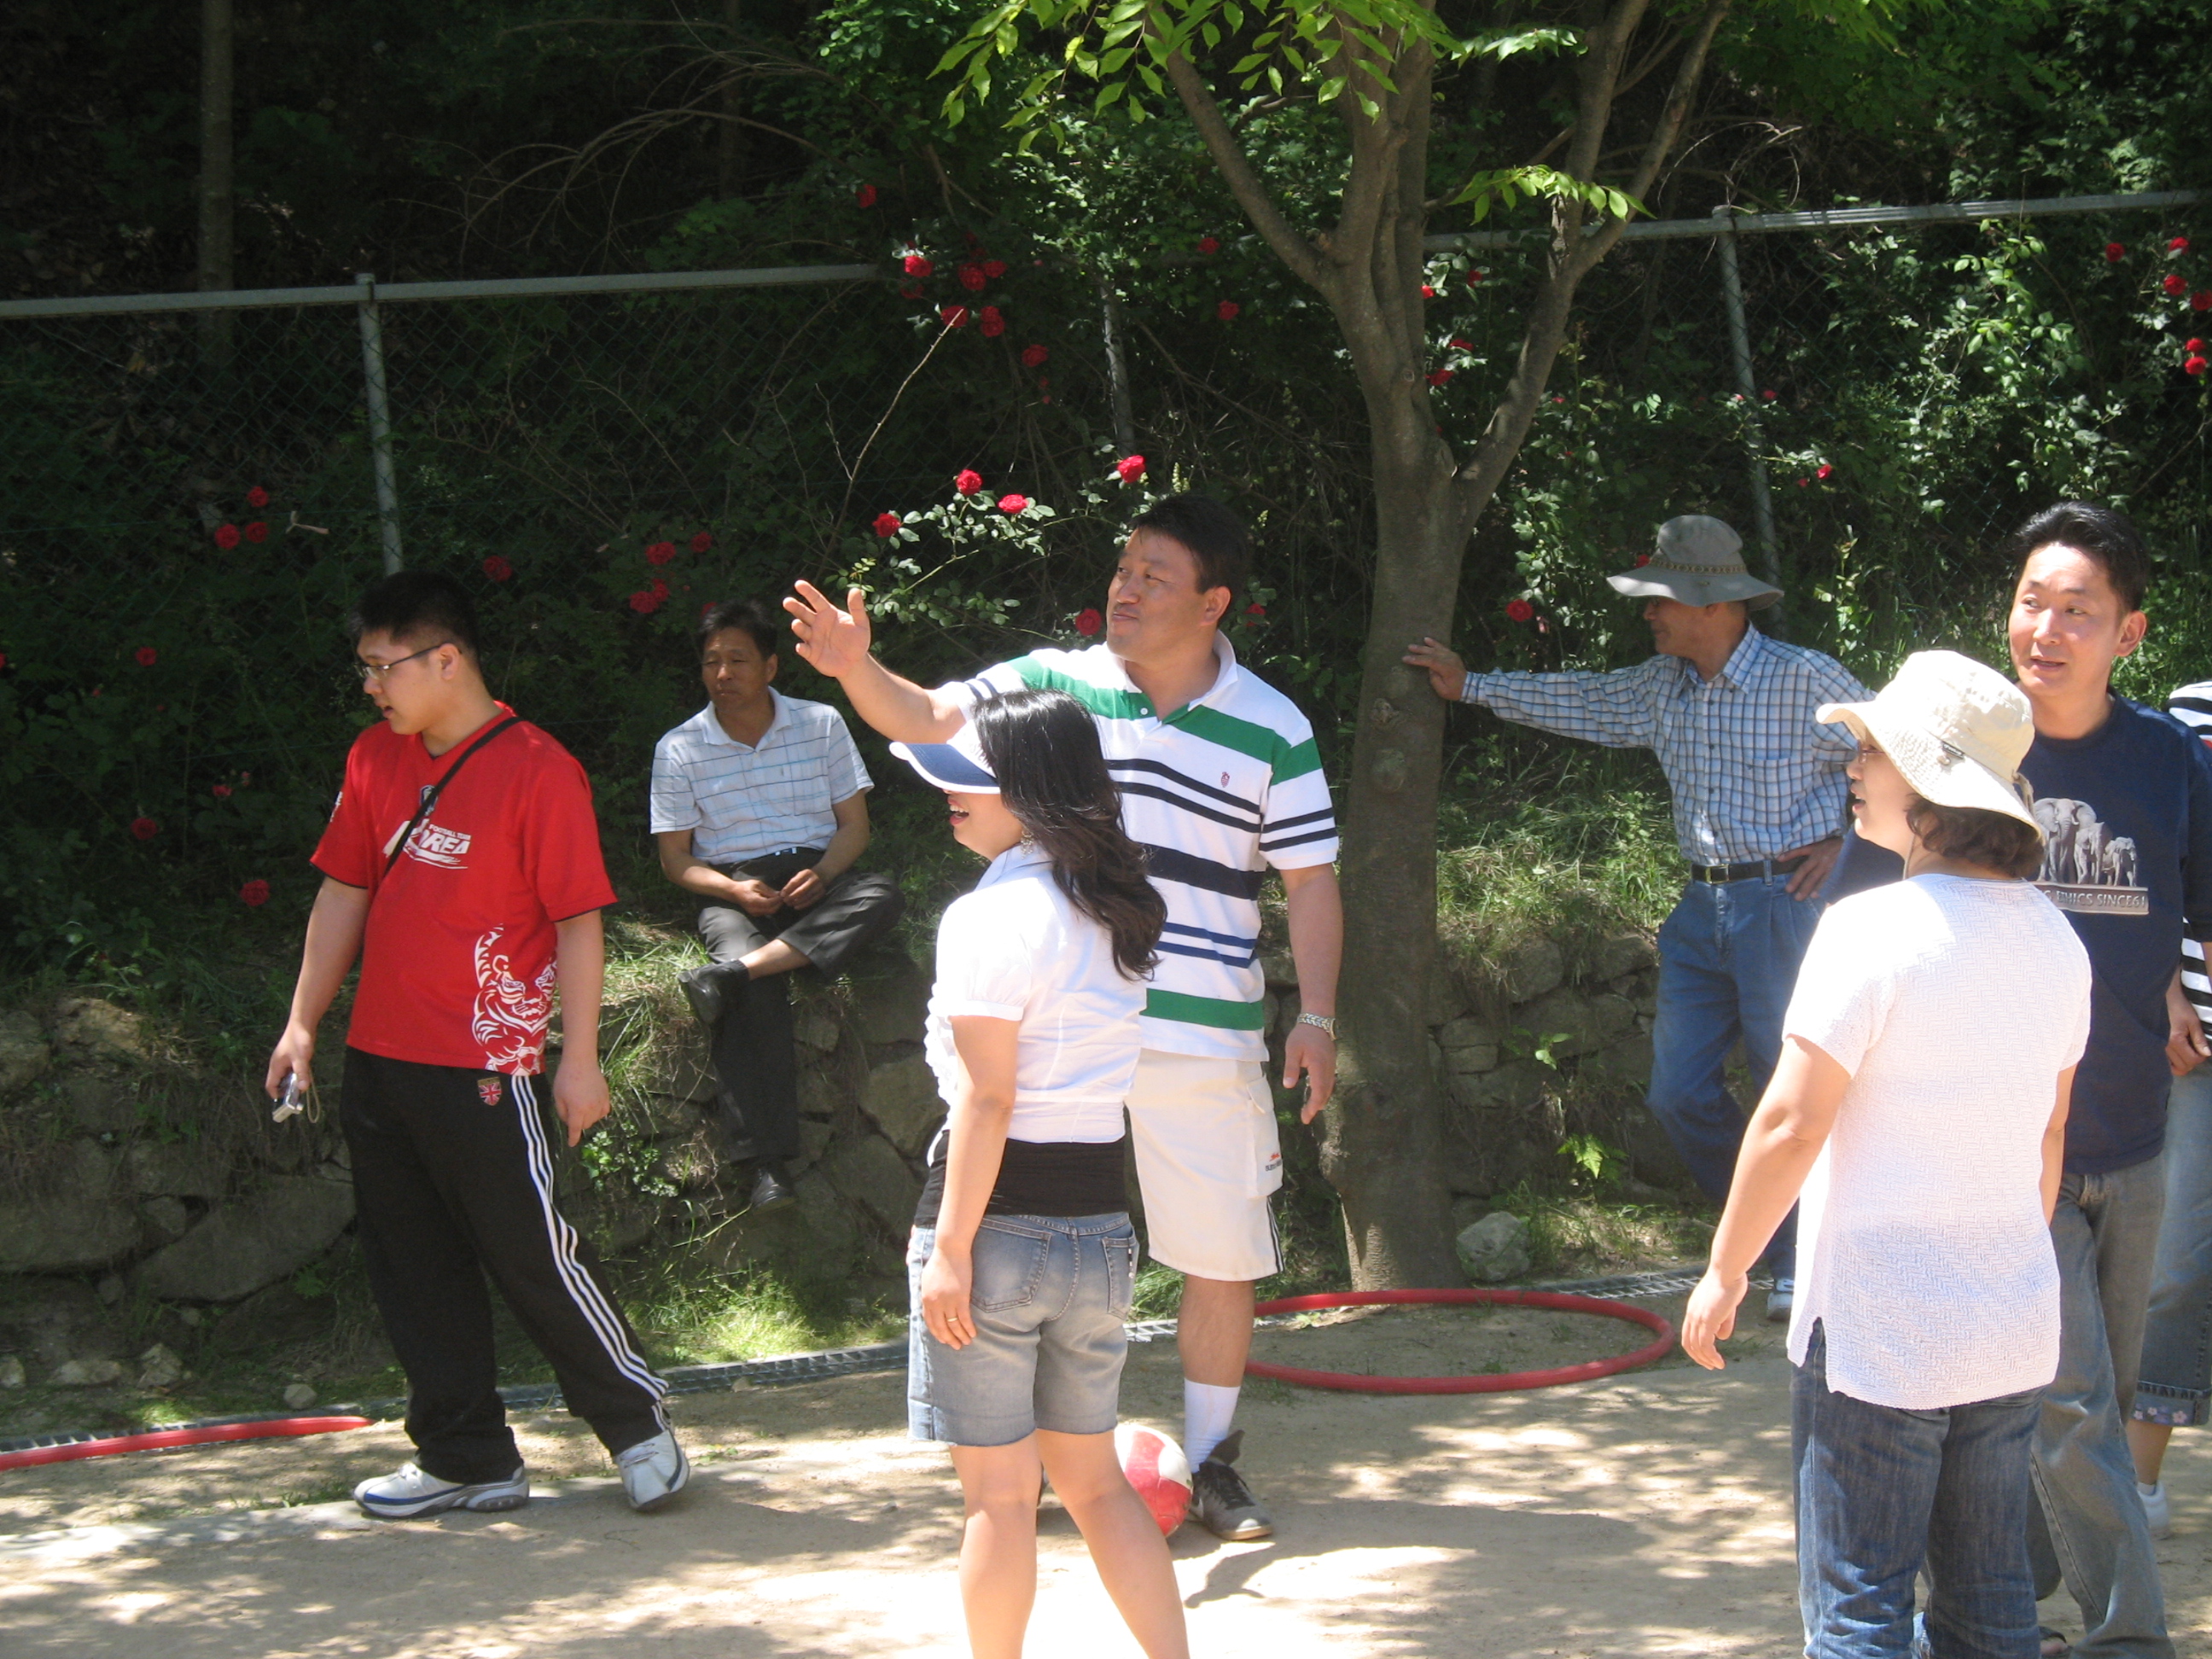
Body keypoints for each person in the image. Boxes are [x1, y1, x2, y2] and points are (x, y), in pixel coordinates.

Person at [788, 492, 1342, 1541]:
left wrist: (1316, 1014)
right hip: (1067, 1021)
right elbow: (929, 720)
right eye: (1123, 568)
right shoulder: (1053, 681)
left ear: (1214, 604)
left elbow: (1311, 880)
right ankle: (1029, 1463)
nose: (1125, 588)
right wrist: (855, 668)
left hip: (1205, 1028)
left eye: (1155, 577)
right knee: (1023, 1241)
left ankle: (1213, 1465)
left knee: (1221, 1252)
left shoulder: (1277, 726)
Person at [1682, 649, 2089, 1659]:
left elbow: (1791, 1123)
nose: (1853, 768)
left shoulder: (1869, 929)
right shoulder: (2057, 939)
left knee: (1859, 1605)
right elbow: (2048, 1135)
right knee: (1992, 1601)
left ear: (1928, 784)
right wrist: (1994, 1254)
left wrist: (1725, 1270)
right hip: (2009, 1314)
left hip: (1877, 1324)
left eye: (1870, 751)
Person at [264, 570, 688, 1520]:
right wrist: (302, 1022)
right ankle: (466, 1457)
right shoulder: (373, 757)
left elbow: (579, 921)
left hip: (489, 1064)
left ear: (446, 659)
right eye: (365, 667)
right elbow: (343, 890)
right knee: (411, 1267)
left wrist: (579, 1060)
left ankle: (637, 1426)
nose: (371, 686)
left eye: (385, 666)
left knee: (532, 1253)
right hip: (381, 1057)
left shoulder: (539, 768)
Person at [1406, 515, 1867, 1321]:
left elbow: (1906, 753)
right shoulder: (1661, 686)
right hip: (1699, 910)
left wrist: (1848, 845)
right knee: (1676, 1095)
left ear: (1714, 604)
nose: (1649, 613)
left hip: (1784, 907)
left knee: (1788, 1088)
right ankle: (1773, 1239)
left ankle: (1810, 1257)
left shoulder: (1806, 680)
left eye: (1662, 599)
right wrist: (1470, 685)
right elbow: (1581, 698)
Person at [896, 688, 1187, 1659]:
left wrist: (950, 1250)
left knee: (998, 1499)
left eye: (968, 780)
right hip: (1100, 1231)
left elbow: (987, 1100)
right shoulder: (1115, 908)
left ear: (1027, 792)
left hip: (994, 1229)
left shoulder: (989, 917)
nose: (949, 796)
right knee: (1096, 1485)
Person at [651, 597, 904, 1211]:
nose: (722, 674)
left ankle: (738, 972)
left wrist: (824, 872)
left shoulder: (820, 723)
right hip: (736, 886)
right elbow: (676, 860)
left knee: (880, 894)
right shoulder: (679, 748)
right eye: (711, 662)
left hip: (816, 873)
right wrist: (732, 890)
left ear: (770, 666)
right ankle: (766, 1164)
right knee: (750, 983)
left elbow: (854, 827)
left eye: (738, 660)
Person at [2128, 678, 2212, 1538]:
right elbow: (2146, 867)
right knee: (2177, 1266)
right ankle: (2139, 1478)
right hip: (2196, 1059)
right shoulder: (2188, 718)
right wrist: (2165, 991)